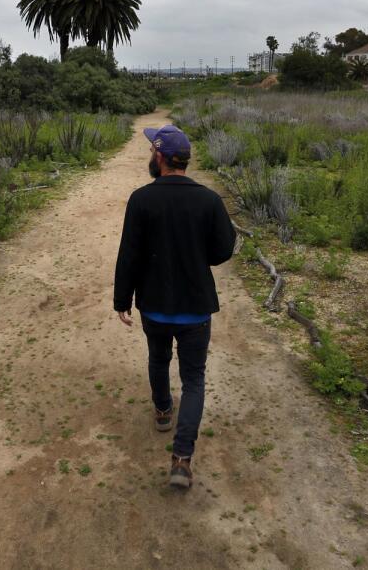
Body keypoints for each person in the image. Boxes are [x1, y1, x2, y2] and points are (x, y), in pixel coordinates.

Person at [113, 124, 236, 489]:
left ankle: (164, 410)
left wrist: (123, 300)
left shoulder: (141, 199)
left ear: (161, 158)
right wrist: (197, 254)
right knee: (194, 379)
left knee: (158, 359)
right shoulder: (209, 200)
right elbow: (223, 250)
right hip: (196, 310)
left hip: (154, 308)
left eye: (153, 151)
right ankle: (182, 460)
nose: (151, 156)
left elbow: (128, 256)